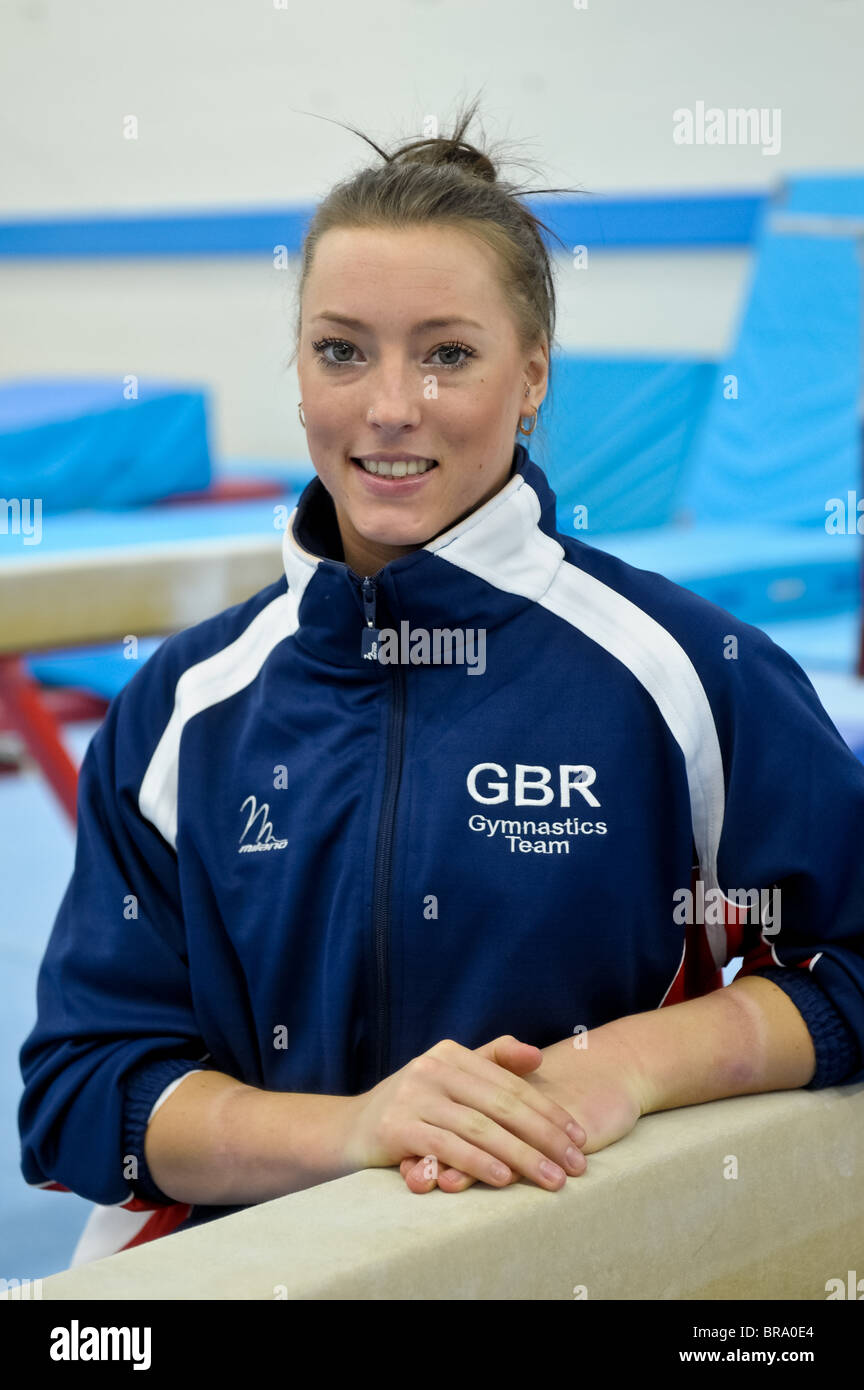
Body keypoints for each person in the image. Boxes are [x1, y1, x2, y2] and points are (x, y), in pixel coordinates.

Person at [18, 97, 864, 1267]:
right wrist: (355, 1132)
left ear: (532, 381)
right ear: (300, 370)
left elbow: (853, 961)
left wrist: (618, 1067)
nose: (389, 407)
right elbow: (82, 1090)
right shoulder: (182, 704)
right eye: (342, 349)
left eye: (448, 353)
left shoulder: (683, 673)